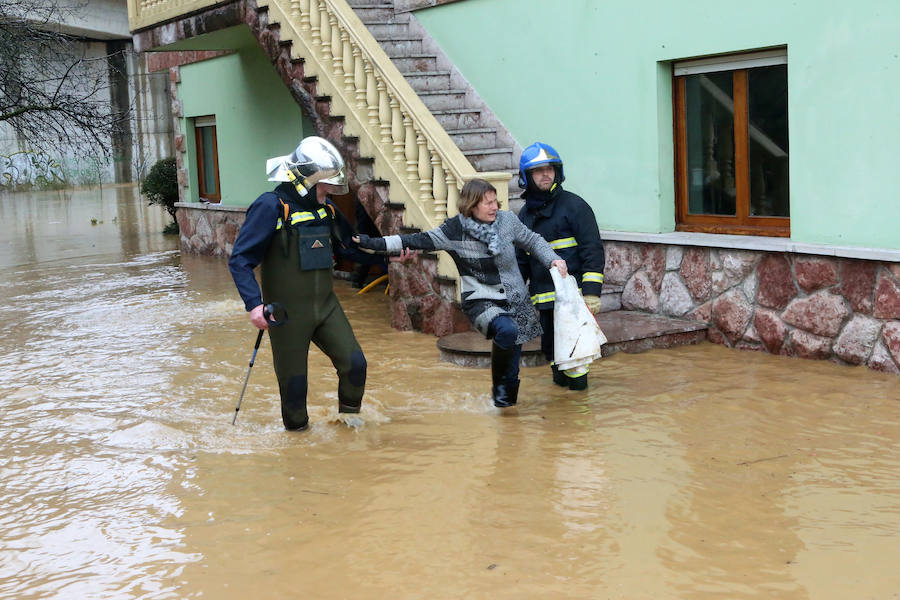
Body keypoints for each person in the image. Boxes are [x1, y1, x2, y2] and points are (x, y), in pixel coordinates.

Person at [228, 136, 409, 430]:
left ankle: (348, 427)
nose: (330, 191)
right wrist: (254, 305)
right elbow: (240, 260)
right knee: (295, 391)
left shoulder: (326, 210)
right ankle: (300, 454)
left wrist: (388, 259)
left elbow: (350, 247)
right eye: (325, 184)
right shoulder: (271, 207)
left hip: (326, 307)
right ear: (306, 180)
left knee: (355, 364)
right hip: (285, 315)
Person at [354, 178, 568, 408]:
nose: (494, 207)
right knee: (507, 330)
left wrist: (553, 259)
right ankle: (500, 392)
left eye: (495, 201)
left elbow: (533, 241)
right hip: (480, 299)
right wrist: (372, 242)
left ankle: (505, 408)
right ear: (472, 205)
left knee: (512, 361)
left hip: (514, 298)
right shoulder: (454, 230)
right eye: (487, 203)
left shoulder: (507, 221)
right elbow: (414, 240)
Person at [516, 142, 605, 391]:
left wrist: (591, 293)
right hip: (545, 303)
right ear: (527, 176)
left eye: (549, 169)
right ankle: (561, 422)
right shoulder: (524, 216)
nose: (546, 174)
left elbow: (592, 250)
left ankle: (579, 417)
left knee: (576, 360)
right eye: (538, 170)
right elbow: (521, 261)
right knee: (554, 355)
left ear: (557, 172)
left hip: (573, 302)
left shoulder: (575, 207)